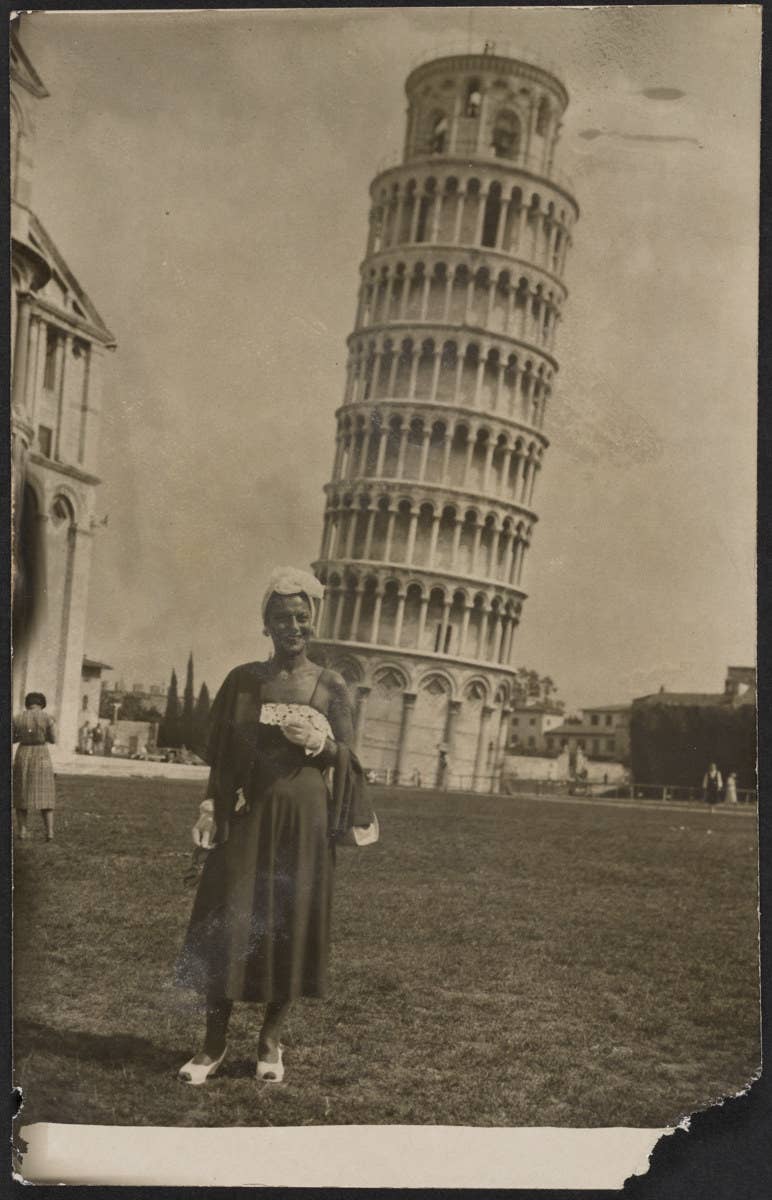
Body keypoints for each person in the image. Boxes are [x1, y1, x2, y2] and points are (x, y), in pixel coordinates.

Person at [176, 567, 373, 1086]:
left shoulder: (331, 684)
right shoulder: (244, 680)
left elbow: (351, 763)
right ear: (266, 623)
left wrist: (319, 743)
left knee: (292, 920)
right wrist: (209, 806)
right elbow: (220, 758)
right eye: (282, 617)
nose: (293, 626)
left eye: (302, 617)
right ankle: (212, 1044)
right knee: (228, 918)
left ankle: (270, 1042)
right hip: (247, 814)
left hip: (304, 822)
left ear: (314, 622)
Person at [12, 692, 57, 842]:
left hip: (23, 754)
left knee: (21, 793)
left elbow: (11, 738)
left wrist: (22, 736)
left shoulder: (17, 718)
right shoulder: (48, 718)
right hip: (41, 755)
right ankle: (49, 832)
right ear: (42, 703)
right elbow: (53, 739)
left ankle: (23, 831)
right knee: (46, 793)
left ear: (27, 703)